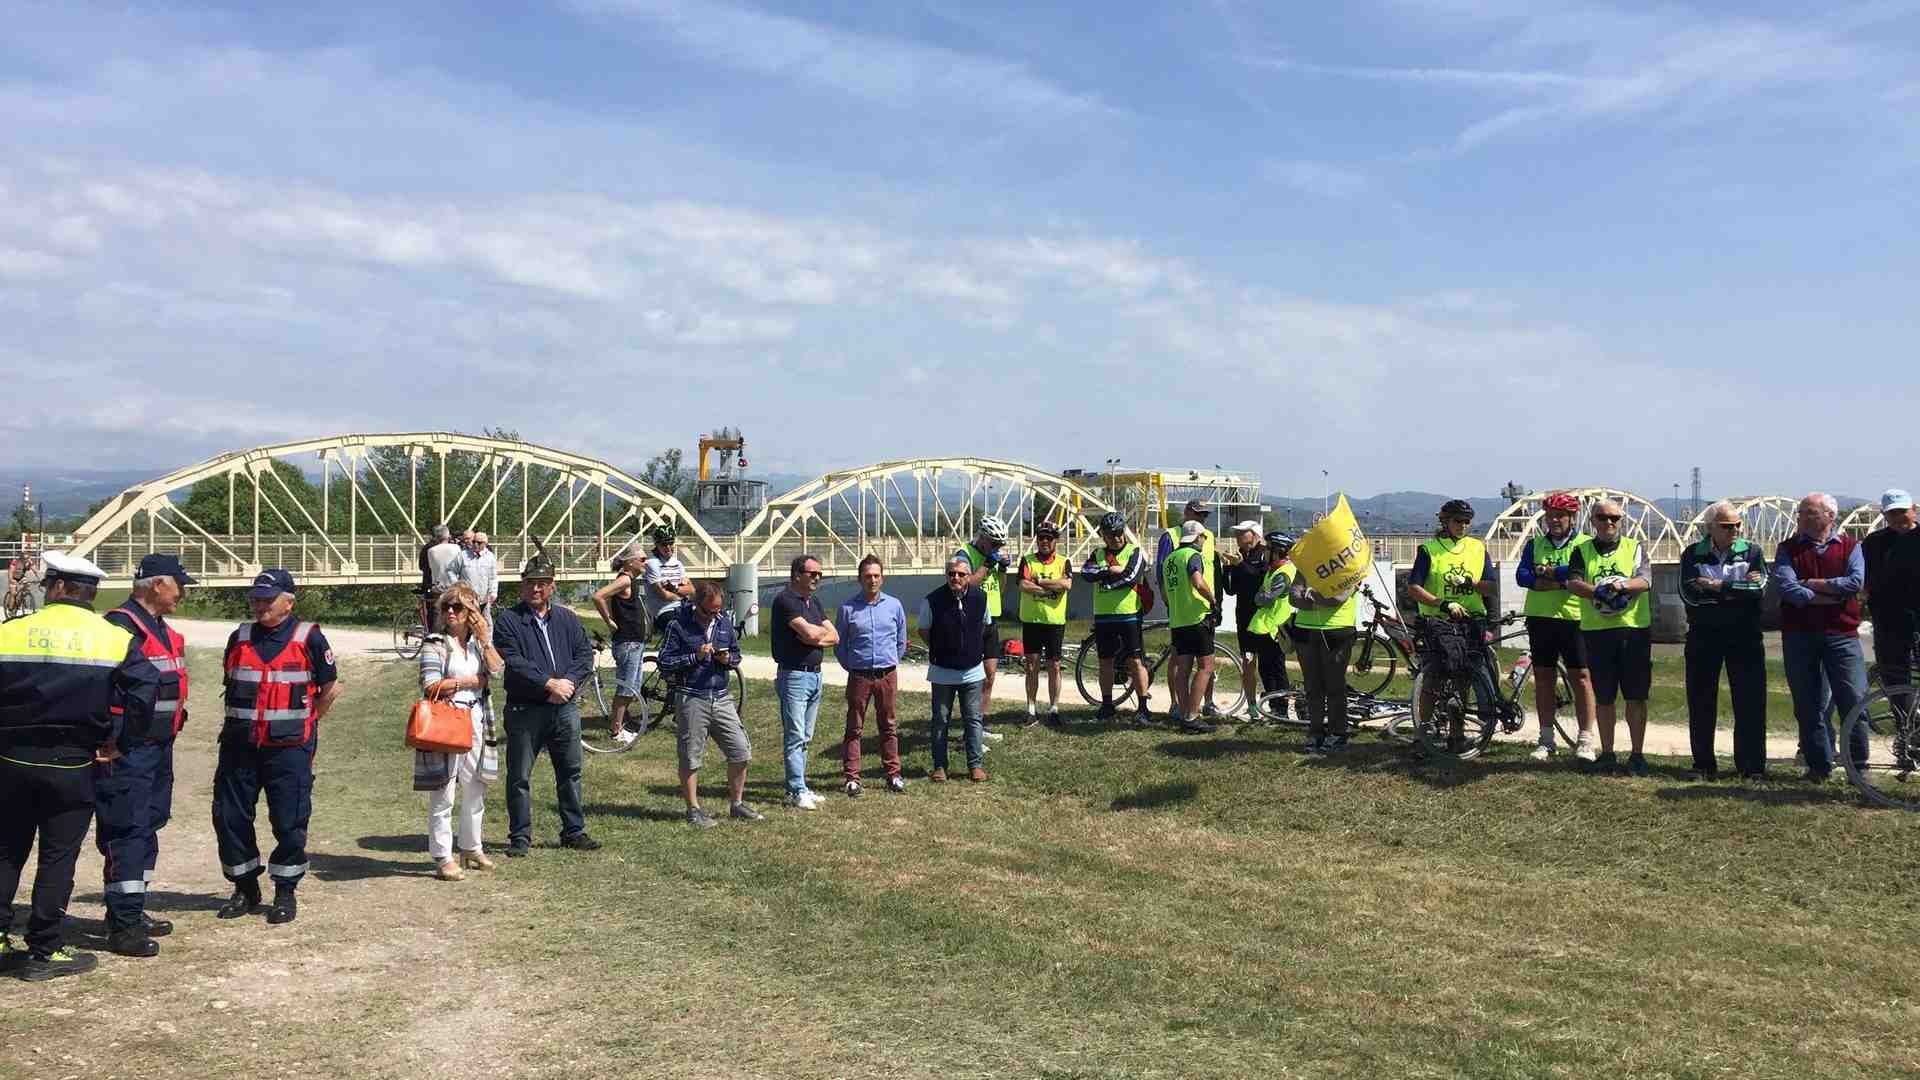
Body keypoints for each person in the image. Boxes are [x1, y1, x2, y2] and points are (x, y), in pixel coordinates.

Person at [0, 552, 154, 981]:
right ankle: (45, 951)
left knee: (7, 850)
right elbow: (146, 690)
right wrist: (122, 744)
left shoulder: (11, 631)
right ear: (90, 593)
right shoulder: (112, 638)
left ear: (57, 588)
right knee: (57, 857)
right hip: (74, 761)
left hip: (10, 759)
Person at [213, 569, 342, 926]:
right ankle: (245, 887)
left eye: (267, 599)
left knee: (289, 820)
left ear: (289, 601)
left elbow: (331, 688)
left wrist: (308, 722)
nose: (259, 605)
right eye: (255, 598)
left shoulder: (310, 637)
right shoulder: (238, 637)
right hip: (240, 746)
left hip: (289, 748)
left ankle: (285, 890)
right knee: (230, 817)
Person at [94, 554, 196, 957]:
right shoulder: (121, 626)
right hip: (129, 749)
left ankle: (133, 910)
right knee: (127, 830)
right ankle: (123, 925)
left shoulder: (160, 629)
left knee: (149, 825)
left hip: (158, 747)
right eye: (179, 584)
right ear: (157, 585)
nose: (182, 592)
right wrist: (115, 739)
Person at [492, 550, 600, 855]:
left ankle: (574, 831)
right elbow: (513, 659)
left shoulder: (567, 618)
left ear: (552, 586)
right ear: (522, 585)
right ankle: (520, 838)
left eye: (543, 583)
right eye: (531, 583)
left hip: (564, 707)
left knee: (570, 772)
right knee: (519, 776)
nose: (536, 588)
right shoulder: (509, 621)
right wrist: (548, 683)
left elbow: (583, 655)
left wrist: (567, 684)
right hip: (525, 709)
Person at [1773, 492, 1868, 782]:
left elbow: (1855, 582)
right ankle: (1818, 766)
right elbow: (1787, 587)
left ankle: (1859, 768)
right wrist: (1827, 596)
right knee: (1807, 703)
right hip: (1799, 636)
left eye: (1808, 512)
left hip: (1842, 635)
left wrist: (1812, 585)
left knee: (1852, 700)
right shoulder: (1787, 548)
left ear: (1830, 516)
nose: (1800, 517)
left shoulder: (1851, 547)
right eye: (1801, 513)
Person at [417, 583, 504, 880]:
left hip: (477, 717)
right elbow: (430, 686)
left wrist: (485, 639)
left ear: (472, 613)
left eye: (458, 607)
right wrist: (471, 682)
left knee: (477, 786)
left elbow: (497, 671)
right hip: (447, 719)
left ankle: (471, 847)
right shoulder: (435, 643)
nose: (450, 612)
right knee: (444, 791)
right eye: (446, 607)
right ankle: (442, 856)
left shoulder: (479, 644)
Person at [658, 581, 761, 827]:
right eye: (710, 611)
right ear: (696, 605)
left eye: (718, 610)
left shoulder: (724, 622)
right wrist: (696, 656)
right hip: (692, 696)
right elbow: (665, 662)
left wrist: (728, 659)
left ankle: (736, 804)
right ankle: (693, 810)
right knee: (691, 756)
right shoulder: (678, 625)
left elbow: (736, 654)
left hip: (721, 696)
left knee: (740, 751)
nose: (715, 615)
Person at [1678, 502, 1769, 780]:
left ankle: (1751, 768)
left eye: (1738, 525)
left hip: (1746, 636)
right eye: (1728, 526)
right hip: (1703, 636)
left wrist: (1718, 586)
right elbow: (1690, 594)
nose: (1735, 530)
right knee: (1701, 700)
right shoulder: (1692, 554)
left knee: (1750, 701)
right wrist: (1737, 592)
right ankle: (1703, 764)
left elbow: (1759, 589)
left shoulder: (1753, 551)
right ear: (1711, 528)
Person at [1567, 500, 1655, 776]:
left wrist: (1620, 585)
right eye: (1603, 518)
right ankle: (1607, 754)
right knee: (1604, 697)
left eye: (1615, 518)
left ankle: (1637, 755)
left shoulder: (1634, 547)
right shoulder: (1581, 551)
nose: (1609, 523)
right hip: (1597, 633)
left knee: (1636, 696)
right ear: (1593, 521)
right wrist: (1597, 592)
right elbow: (1573, 582)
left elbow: (1645, 580)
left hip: (1634, 631)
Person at [1408, 499, 1502, 755]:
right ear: (1445, 522)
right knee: (1432, 679)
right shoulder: (1429, 550)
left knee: (1464, 680)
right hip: (1437, 622)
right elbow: (1414, 588)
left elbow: (1491, 587)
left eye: (1466, 522)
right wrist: (1441, 603)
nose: (1462, 526)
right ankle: (1423, 733)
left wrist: (1471, 583)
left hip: (1471, 620)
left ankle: (1457, 735)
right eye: (1457, 521)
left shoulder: (1477, 548)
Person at [1514, 492, 1598, 761]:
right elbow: (1522, 576)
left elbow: (1579, 574)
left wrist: (1547, 573)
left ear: (1572, 517)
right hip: (1541, 618)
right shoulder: (1535, 544)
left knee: (1582, 679)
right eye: (1549, 516)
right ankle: (1546, 738)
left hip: (1576, 619)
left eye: (1560, 515)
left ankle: (1585, 739)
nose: (1554, 520)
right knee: (1544, 679)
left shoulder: (1585, 544)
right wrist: (1562, 581)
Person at [835, 555, 907, 796]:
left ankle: (893, 774)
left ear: (882, 578)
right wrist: (854, 666)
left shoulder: (894, 605)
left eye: (876, 576)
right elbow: (840, 644)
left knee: (888, 725)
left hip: (887, 674)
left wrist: (890, 662)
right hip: (859, 676)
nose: (872, 580)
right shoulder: (847, 609)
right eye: (867, 576)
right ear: (859, 579)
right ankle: (852, 778)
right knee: (854, 727)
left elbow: (900, 640)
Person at [772, 554, 838, 810]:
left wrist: (814, 638)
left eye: (819, 574)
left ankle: (798, 786)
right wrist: (814, 635)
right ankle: (797, 789)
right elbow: (812, 632)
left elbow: (836, 637)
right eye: (812, 574)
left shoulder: (814, 603)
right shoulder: (785, 600)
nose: (817, 578)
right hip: (794, 676)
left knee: (806, 736)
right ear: (797, 574)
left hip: (815, 674)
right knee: (795, 735)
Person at [920, 556, 989, 782]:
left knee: (973, 719)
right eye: (951, 574)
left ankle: (975, 766)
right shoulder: (932, 600)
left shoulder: (981, 598)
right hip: (942, 671)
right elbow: (923, 630)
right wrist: (941, 648)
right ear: (946, 575)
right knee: (940, 720)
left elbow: (984, 626)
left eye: (960, 574)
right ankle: (940, 767)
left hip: (972, 671)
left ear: (968, 576)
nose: (955, 578)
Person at [1080, 512, 1152, 725]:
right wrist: (1110, 570)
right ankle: (1107, 705)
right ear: (1103, 535)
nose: (1116, 538)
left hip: (1128, 615)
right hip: (1104, 616)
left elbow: (1131, 575)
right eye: (1111, 535)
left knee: (1135, 661)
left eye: (1119, 533)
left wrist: (1106, 580)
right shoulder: (1098, 553)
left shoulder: (1135, 551)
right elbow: (1086, 573)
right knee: (1105, 663)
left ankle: (1143, 707)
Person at [1158, 499, 1222, 717]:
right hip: (1197, 611)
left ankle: (1188, 711)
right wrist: (1212, 600)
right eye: (1198, 514)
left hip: (1180, 615)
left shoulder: (1176, 556)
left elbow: (1213, 570)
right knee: (1205, 666)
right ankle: (1189, 713)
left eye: (1205, 515)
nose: (1202, 519)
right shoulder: (1178, 542)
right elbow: (1197, 580)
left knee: (1184, 666)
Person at [1226, 522, 1292, 720]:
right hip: (1248, 620)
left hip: (1268, 624)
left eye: (1241, 532)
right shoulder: (1241, 556)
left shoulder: (1266, 557)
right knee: (1253, 664)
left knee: (1273, 667)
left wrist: (1241, 566)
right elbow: (1231, 589)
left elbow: (1260, 584)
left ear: (1255, 535)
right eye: (1236, 532)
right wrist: (1228, 568)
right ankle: (1254, 706)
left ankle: (1278, 708)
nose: (1237, 535)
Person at [590, 543, 652, 748]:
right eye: (642, 559)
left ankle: (620, 725)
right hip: (628, 643)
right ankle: (615, 731)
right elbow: (598, 596)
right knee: (626, 688)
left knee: (631, 687)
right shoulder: (625, 579)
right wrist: (609, 621)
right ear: (630, 562)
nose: (646, 562)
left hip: (634, 642)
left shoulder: (631, 581)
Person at [1863, 488, 1920, 704]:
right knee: (1894, 680)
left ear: (1913, 510)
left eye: (1901, 511)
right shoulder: (1873, 542)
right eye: (1891, 513)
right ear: (1884, 515)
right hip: (1888, 622)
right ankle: (1906, 731)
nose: (1897, 517)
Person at [956, 516, 1010, 728]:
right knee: (970, 677)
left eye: (1000, 545)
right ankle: (968, 724)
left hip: (991, 620)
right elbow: (965, 584)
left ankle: (981, 723)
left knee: (989, 676)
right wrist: (987, 565)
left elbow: (1001, 588)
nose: (997, 548)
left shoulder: (993, 556)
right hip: (971, 620)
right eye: (994, 543)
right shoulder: (964, 554)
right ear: (982, 538)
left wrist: (1003, 569)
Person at [1017, 522, 1072, 726]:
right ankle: (1031, 710)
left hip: (1054, 622)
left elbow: (1066, 584)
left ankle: (1054, 709)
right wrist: (1050, 590)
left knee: (1054, 666)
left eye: (1049, 538)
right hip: (1032, 621)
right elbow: (1023, 584)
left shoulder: (1064, 561)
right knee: (1031, 666)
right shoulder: (1027, 560)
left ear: (1055, 540)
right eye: (1041, 538)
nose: (1045, 541)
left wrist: (1038, 581)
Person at [1244, 531, 1298, 721]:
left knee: (1276, 670)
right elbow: (1260, 596)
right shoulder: (1272, 570)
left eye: (1268, 548)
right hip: (1264, 628)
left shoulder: (1284, 573)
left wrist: (1260, 597)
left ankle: (1280, 709)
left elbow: (1264, 599)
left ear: (1277, 551)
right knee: (1266, 670)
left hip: (1275, 629)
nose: (1265, 552)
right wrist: (1260, 597)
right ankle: (1275, 707)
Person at [642, 525, 693, 637]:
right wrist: (681, 594)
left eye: (671, 543)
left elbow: (691, 589)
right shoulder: (652, 564)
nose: (668, 547)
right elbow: (663, 595)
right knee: (680, 630)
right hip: (664, 611)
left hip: (681, 606)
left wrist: (674, 589)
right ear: (657, 545)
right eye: (664, 544)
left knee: (710, 618)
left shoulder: (677, 563)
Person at [422, 525, 464, 627]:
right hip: (453, 586)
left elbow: (432, 568)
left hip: (438, 587)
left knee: (439, 614)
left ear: (436, 536)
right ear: (448, 535)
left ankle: (437, 637)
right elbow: (461, 567)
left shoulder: (431, 551)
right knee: (455, 613)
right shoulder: (456, 548)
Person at [460, 532, 499, 620]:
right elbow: (452, 572)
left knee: (486, 624)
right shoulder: (463, 555)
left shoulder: (490, 557)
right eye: (474, 542)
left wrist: (493, 593)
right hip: (467, 599)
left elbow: (493, 577)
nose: (475, 544)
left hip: (484, 599)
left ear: (485, 544)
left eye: (479, 543)